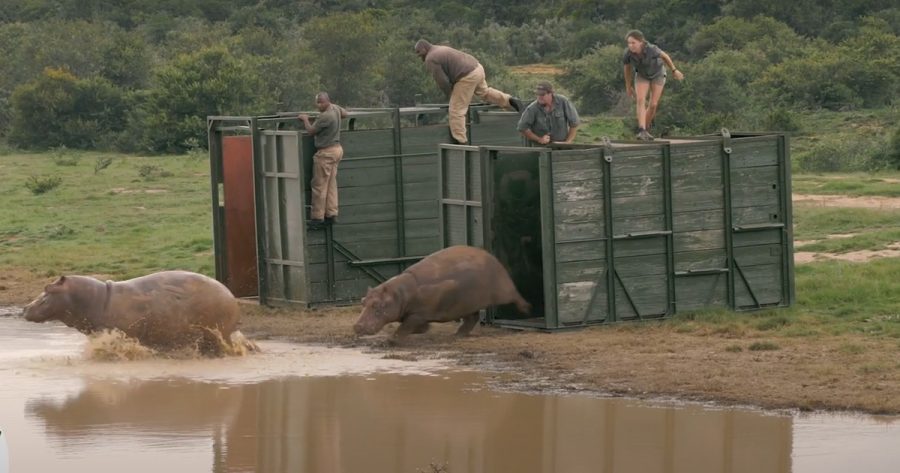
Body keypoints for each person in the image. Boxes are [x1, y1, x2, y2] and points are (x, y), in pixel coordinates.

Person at [414, 39, 525, 144]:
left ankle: (461, 142)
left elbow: (442, 81)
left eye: (420, 54)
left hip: (466, 75)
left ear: (424, 48)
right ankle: (510, 100)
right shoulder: (439, 48)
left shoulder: (430, 58)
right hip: (477, 67)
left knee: (456, 109)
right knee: (485, 93)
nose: (420, 57)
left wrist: (450, 94)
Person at [298, 92, 348, 230]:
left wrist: (305, 119)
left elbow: (311, 131)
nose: (318, 105)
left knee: (319, 185)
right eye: (317, 102)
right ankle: (331, 214)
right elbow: (345, 114)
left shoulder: (325, 116)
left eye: (320, 102)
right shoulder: (335, 109)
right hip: (337, 150)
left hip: (326, 152)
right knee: (331, 182)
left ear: (326, 101)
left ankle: (317, 218)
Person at [622, 30, 684, 141]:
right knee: (640, 100)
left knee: (653, 104)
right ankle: (642, 130)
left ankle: (646, 128)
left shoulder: (651, 49)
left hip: (658, 74)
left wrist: (674, 70)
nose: (631, 45)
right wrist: (628, 85)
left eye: (633, 43)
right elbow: (627, 69)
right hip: (642, 75)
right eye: (629, 43)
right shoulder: (628, 54)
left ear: (640, 42)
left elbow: (665, 56)